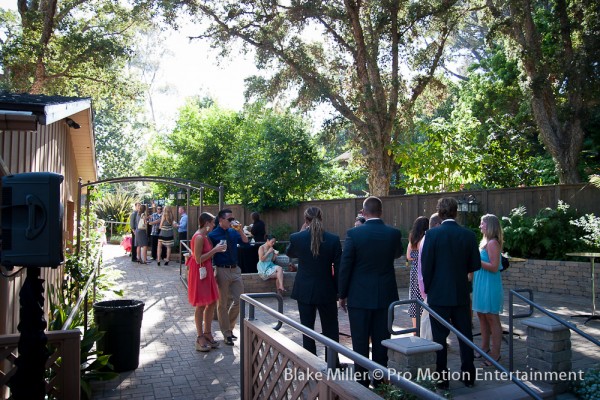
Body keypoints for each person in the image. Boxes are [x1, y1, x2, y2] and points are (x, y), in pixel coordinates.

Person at [338, 196, 403, 387]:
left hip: (359, 295)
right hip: (385, 295)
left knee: (359, 341)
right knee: (382, 340)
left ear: (364, 213)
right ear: (381, 212)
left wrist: (342, 295)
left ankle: (362, 383)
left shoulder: (354, 234)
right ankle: (381, 382)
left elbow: (345, 266)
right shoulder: (393, 233)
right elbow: (398, 253)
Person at [421, 197, 481, 389]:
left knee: (439, 338)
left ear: (439, 213)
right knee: (465, 335)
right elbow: (475, 265)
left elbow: (426, 267)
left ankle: (442, 379)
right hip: (461, 292)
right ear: (456, 212)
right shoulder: (468, 235)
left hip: (438, 295)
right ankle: (468, 375)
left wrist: (429, 289)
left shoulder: (432, 235)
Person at [286, 206, 343, 365]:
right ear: (321, 218)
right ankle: (333, 363)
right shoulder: (333, 239)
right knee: (331, 329)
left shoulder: (297, 238)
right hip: (326, 290)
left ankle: (310, 363)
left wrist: (301, 231)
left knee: (307, 328)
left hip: (304, 289)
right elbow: (339, 269)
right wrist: (339, 292)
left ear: (306, 220)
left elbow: (290, 253)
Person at [208, 209, 249, 346]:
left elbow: (246, 242)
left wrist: (240, 230)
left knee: (240, 300)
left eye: (233, 218)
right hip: (221, 270)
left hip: (235, 269)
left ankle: (229, 328)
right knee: (222, 304)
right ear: (221, 220)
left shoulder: (233, 231)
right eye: (229, 219)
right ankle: (226, 334)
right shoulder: (213, 235)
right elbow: (208, 254)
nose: (232, 221)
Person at [188, 212, 227, 352]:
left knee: (211, 302)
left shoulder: (204, 236)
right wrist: (215, 250)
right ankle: (200, 337)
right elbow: (198, 259)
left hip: (207, 271)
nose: (214, 225)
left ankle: (208, 333)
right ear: (206, 223)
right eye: (212, 222)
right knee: (200, 305)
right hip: (199, 273)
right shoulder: (198, 237)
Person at [472, 214, 504, 366]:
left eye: (482, 223)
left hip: (489, 284)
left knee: (492, 317)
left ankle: (496, 352)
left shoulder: (493, 243)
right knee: (482, 316)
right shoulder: (484, 242)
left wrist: (476, 261)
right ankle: (484, 347)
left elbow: (494, 266)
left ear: (490, 225)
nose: (480, 226)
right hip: (480, 282)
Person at [406, 216, 429, 330]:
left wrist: (415, 258)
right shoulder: (426, 238)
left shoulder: (412, 238)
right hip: (423, 270)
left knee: (415, 299)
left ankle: (416, 329)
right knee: (424, 298)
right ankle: (425, 329)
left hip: (414, 271)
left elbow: (408, 256)